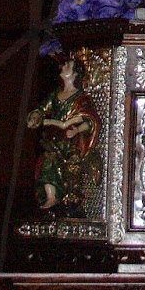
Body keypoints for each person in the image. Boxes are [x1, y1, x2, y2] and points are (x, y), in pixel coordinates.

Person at [27, 53, 101, 212]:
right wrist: (36, 116)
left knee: (64, 167)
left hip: (69, 141)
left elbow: (90, 120)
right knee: (47, 164)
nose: (62, 67)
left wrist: (76, 130)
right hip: (53, 139)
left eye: (67, 65)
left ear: (74, 74)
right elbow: (42, 109)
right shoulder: (55, 95)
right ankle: (51, 197)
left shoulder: (81, 98)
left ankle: (63, 198)